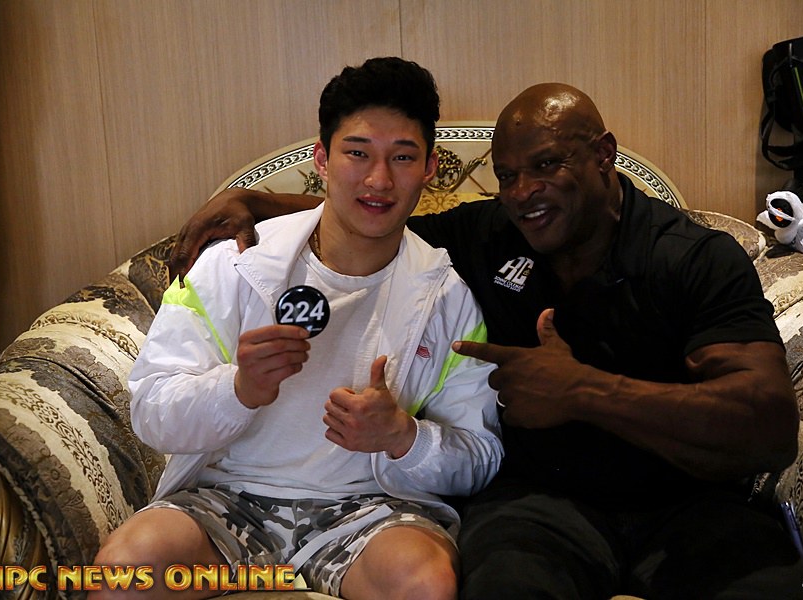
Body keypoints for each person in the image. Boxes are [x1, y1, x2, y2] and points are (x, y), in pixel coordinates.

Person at [170, 83, 803, 599]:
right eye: (507, 176)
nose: (524, 193)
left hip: (692, 504)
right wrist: (257, 204)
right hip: (538, 505)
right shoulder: (491, 234)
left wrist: (586, 391)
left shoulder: (695, 257)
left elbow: (769, 427)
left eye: (547, 166)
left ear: (603, 154)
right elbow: (374, 223)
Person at [92, 57, 503, 600]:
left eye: (402, 157)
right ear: (322, 160)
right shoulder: (234, 265)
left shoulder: (447, 295)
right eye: (357, 153)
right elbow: (150, 412)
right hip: (225, 499)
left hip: (372, 513)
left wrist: (403, 436)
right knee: (122, 575)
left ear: (429, 169)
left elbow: (480, 458)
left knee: (424, 584)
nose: (379, 180)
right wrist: (238, 389)